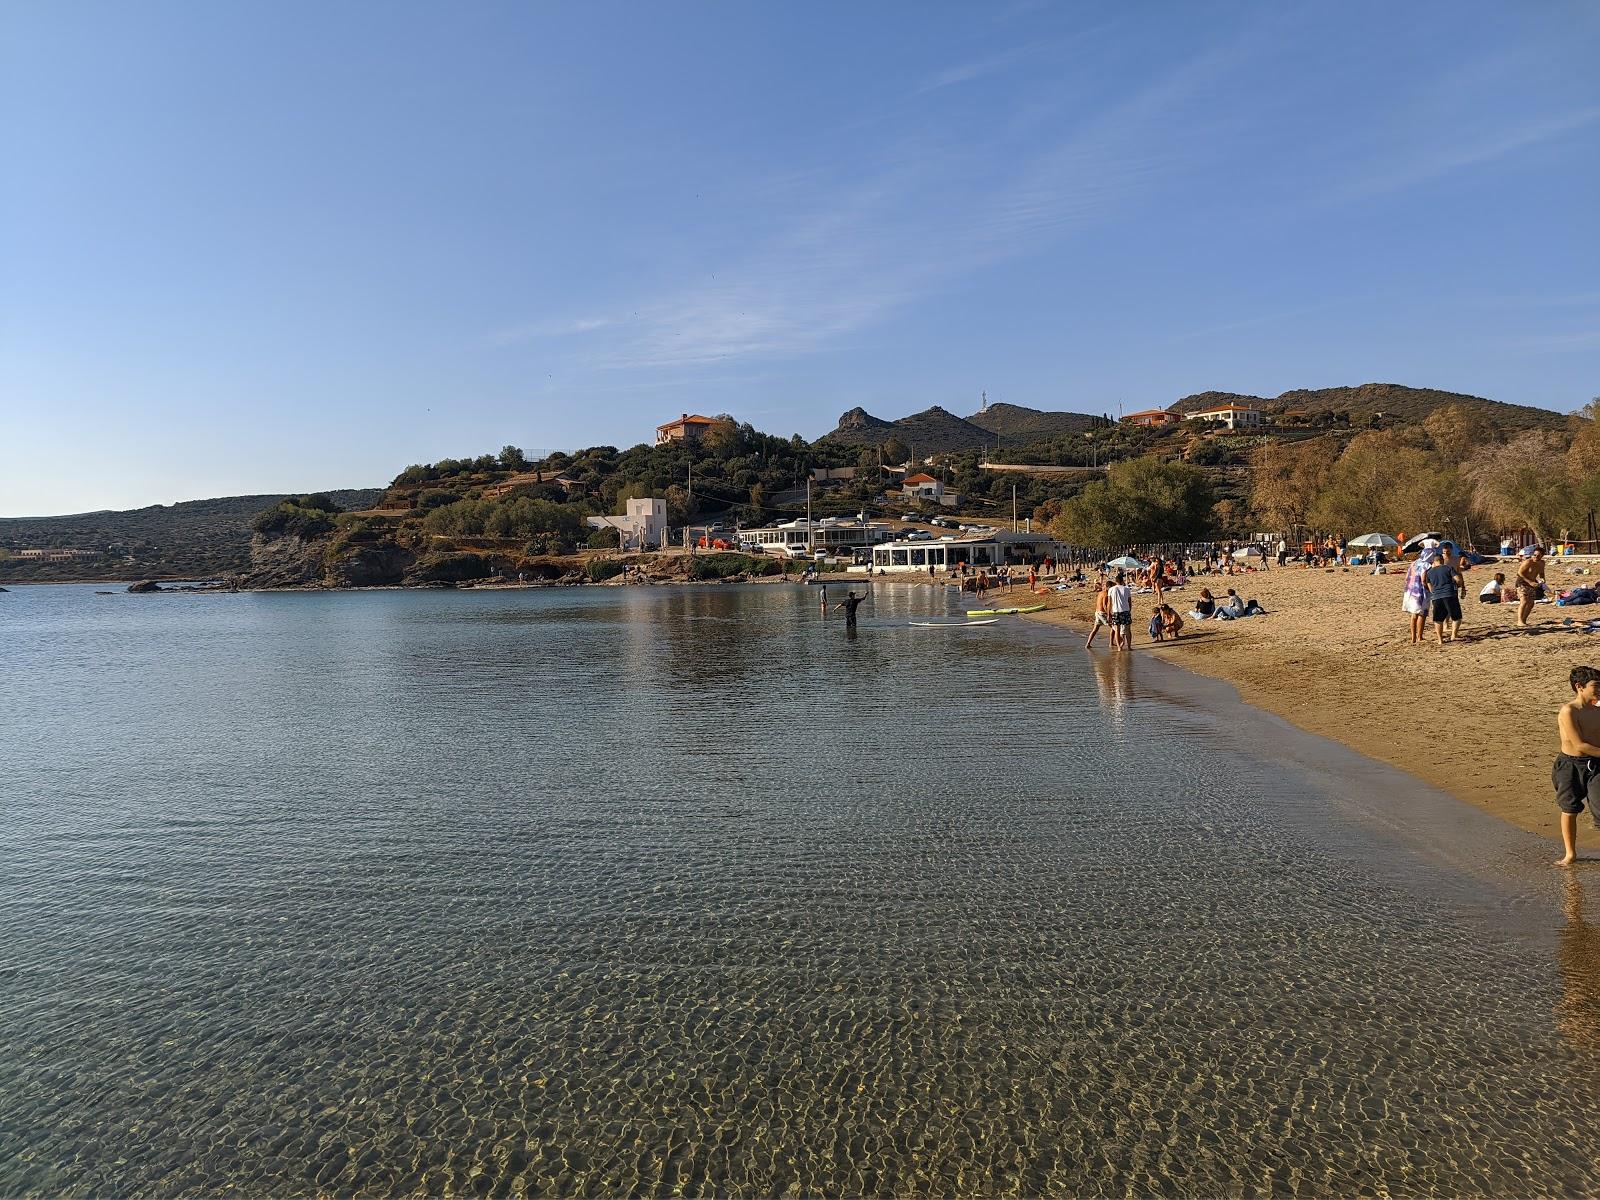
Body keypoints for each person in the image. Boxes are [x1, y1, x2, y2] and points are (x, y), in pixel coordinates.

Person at [1554, 665, 1600, 867]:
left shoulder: (1597, 708)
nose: (1599, 690)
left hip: (1596, 765)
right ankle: (1570, 854)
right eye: (1595, 686)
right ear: (1579, 686)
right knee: (1570, 809)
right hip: (1570, 766)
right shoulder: (1569, 711)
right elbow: (1579, 744)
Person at [1424, 546, 1465, 644]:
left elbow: (1430, 587)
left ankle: (1440, 640)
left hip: (1436, 597)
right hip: (1449, 594)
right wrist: (1459, 585)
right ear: (1442, 560)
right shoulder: (1448, 568)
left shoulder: (1429, 573)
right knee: (1456, 617)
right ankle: (1454, 635)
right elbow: (1458, 579)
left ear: (1434, 562)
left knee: (1438, 619)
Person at [1402, 549, 1434, 644]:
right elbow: (1424, 579)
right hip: (1421, 591)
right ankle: (1420, 636)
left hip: (1410, 591)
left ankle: (1413, 637)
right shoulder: (1427, 565)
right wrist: (1429, 589)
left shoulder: (1414, 563)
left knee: (1413, 614)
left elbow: (1406, 578)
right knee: (1422, 614)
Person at [1518, 546, 1547, 627]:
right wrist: (1530, 582)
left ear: (1542, 556)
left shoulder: (1542, 563)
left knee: (1531, 603)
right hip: (1522, 582)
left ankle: (1524, 620)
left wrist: (1543, 579)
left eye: (1538, 556)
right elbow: (1520, 573)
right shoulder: (1528, 562)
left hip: (1532, 584)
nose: (1535, 557)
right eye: (1534, 555)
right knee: (1524, 600)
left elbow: (1541, 573)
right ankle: (1519, 621)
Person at [1106, 570, 1133, 652]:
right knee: (1128, 630)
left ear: (1115, 581)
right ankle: (1129, 646)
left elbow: (1109, 603)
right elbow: (1129, 602)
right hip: (1125, 611)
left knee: (1117, 630)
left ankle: (1119, 647)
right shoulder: (1127, 589)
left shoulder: (1111, 589)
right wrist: (1129, 610)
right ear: (1122, 581)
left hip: (1116, 611)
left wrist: (1108, 614)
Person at [1085, 577, 1111, 649]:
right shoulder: (1106, 594)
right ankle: (1120, 642)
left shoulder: (1100, 593)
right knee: (1114, 627)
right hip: (1102, 613)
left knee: (1095, 629)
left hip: (1097, 612)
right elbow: (1104, 605)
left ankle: (1088, 643)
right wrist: (1109, 614)